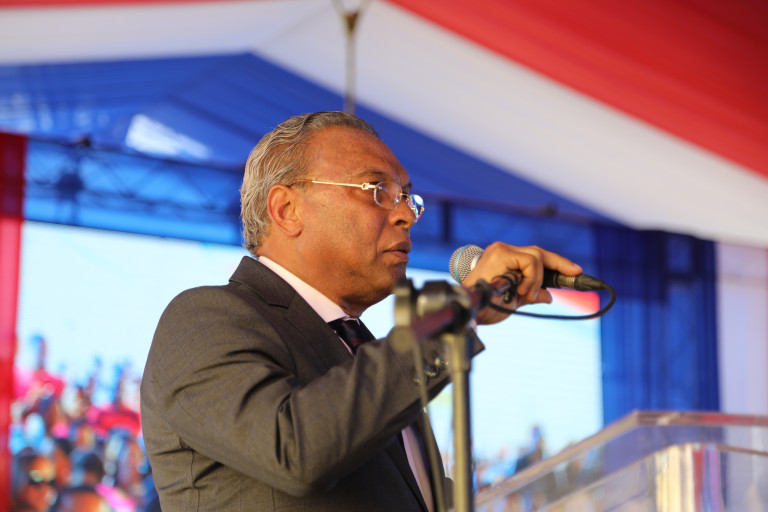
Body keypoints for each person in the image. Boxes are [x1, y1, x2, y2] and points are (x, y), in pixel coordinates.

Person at [140, 111, 582, 511]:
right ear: (287, 210)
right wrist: (458, 312)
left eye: (407, 196)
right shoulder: (204, 317)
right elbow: (295, 449)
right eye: (377, 190)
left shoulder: (362, 351)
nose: (406, 214)